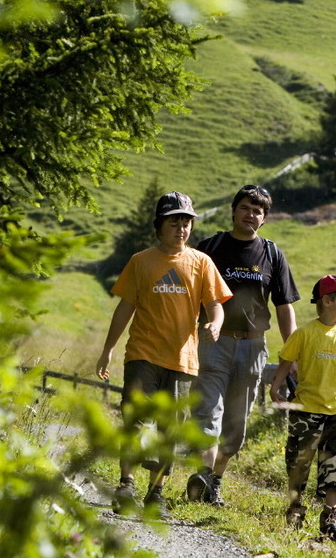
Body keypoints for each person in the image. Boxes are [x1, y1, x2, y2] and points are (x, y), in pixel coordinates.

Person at [95, 191, 233, 518]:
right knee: (135, 419)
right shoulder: (141, 261)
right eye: (175, 221)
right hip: (142, 353)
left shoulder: (201, 262)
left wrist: (215, 323)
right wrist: (108, 350)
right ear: (160, 225)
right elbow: (124, 307)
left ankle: (155, 492)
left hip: (183, 360)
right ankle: (125, 483)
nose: (182, 228)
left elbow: (216, 305)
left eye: (186, 222)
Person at [187, 185, 300, 506]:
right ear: (233, 210)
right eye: (246, 208)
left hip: (253, 348)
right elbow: (190, 297)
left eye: (258, 211)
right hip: (213, 342)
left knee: (236, 423)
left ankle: (215, 480)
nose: (251, 215)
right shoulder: (210, 247)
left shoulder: (271, 254)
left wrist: (290, 354)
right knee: (207, 411)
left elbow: (284, 306)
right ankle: (203, 478)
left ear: (264, 219)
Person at [269, 275, 336, 541]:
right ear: (327, 301)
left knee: (335, 465)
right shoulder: (304, 334)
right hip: (306, 411)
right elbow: (285, 362)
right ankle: (295, 508)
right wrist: (275, 387)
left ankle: (331, 515)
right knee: (298, 464)